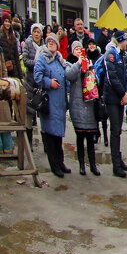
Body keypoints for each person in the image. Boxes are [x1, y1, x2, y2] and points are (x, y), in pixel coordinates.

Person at [33, 33, 71, 177]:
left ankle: (60, 162)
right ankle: (54, 165)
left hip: (60, 102)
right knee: (50, 135)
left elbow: (66, 77)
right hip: (48, 103)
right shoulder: (42, 59)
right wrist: (49, 83)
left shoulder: (60, 60)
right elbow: (38, 77)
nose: (50, 44)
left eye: (53, 42)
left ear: (57, 45)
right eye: (48, 42)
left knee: (58, 136)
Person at [64, 41, 101, 176]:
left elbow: (95, 80)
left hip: (89, 104)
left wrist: (92, 72)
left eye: (80, 48)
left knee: (90, 137)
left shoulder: (89, 62)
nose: (79, 51)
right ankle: (81, 165)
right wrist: (79, 62)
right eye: (76, 49)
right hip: (77, 104)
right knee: (80, 137)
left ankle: (92, 165)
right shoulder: (69, 63)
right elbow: (69, 76)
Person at [96, 39, 127, 178]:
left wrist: (126, 92)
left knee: (118, 131)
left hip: (120, 97)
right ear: (120, 41)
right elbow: (112, 77)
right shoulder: (111, 53)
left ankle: (118, 160)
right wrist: (123, 93)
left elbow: (126, 76)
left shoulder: (121, 55)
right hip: (112, 98)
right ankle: (116, 165)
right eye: (126, 40)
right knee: (115, 131)